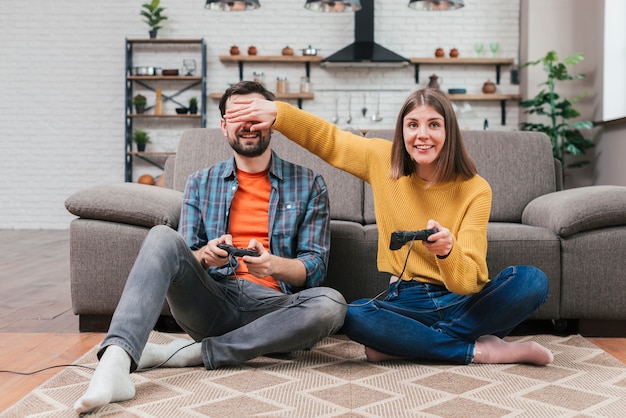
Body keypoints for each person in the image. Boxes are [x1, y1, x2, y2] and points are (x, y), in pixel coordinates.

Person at [223, 87, 554, 367]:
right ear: (402, 131)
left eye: (433, 125)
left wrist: (448, 252)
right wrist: (279, 113)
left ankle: (413, 344)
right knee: (350, 314)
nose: (422, 135)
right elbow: (329, 140)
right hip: (406, 301)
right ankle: (477, 349)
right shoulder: (381, 159)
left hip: (460, 299)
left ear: (448, 132)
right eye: (412, 125)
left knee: (531, 280)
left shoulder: (475, 188)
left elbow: (469, 279)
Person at [74, 81, 347, 413]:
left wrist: (273, 265)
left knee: (332, 303)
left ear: (272, 122)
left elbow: (315, 268)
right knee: (162, 236)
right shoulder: (200, 183)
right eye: (237, 115)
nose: (247, 125)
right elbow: (182, 258)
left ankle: (185, 353)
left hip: (274, 312)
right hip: (211, 300)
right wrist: (205, 256)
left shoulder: (309, 183)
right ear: (223, 125)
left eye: (256, 115)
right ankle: (115, 364)